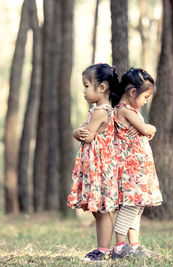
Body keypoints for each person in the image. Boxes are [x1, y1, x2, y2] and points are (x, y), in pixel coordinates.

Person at [67, 63, 119, 261]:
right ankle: (101, 248)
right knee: (98, 210)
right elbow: (83, 131)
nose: (84, 91)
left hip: (101, 166)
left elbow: (87, 135)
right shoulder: (96, 110)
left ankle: (104, 250)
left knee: (103, 210)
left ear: (102, 88)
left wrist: (78, 133)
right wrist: (76, 132)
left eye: (87, 86)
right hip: (96, 165)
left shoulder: (101, 111)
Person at [111, 68, 163, 259]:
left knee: (137, 207)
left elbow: (146, 130)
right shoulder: (124, 110)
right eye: (146, 97)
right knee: (130, 207)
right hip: (131, 170)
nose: (146, 101)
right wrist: (150, 128)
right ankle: (119, 247)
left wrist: (149, 130)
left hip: (138, 169)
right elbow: (146, 128)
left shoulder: (131, 111)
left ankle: (134, 245)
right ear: (133, 92)